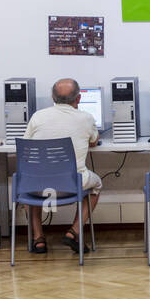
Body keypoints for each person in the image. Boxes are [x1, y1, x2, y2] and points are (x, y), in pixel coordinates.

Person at [22, 78, 101, 254]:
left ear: (52, 97)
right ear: (79, 99)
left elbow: (25, 148)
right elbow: (94, 141)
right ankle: (73, 232)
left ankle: (38, 239)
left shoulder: (37, 117)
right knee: (97, 185)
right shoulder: (86, 118)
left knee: (29, 186)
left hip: (39, 186)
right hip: (72, 186)